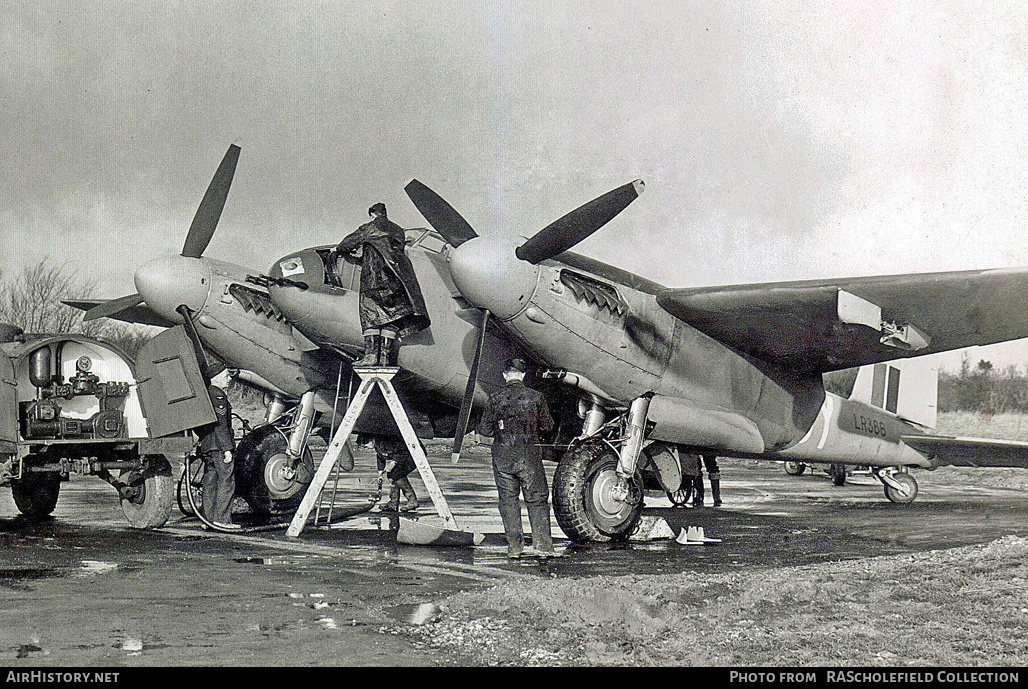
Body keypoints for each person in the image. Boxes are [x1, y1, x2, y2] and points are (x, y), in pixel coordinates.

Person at [333, 203, 431, 367]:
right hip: (397, 280)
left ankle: (371, 357)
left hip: (374, 278)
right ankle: (384, 359)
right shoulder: (398, 230)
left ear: (372, 214)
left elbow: (347, 243)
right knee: (391, 317)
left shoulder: (369, 228)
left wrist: (338, 249)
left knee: (370, 316)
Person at [477, 358, 556, 558]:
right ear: (523, 375)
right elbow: (548, 426)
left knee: (508, 500)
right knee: (537, 499)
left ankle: (514, 548)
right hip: (528, 454)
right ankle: (543, 547)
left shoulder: (495, 398)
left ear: (505, 375)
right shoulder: (536, 397)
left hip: (503, 455)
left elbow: (485, 430)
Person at [197, 366, 240, 529]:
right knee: (226, 480)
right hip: (219, 446)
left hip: (207, 445)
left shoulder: (206, 394)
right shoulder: (218, 395)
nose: (229, 380)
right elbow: (220, 425)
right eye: (226, 377)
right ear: (216, 378)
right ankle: (222, 520)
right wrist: (227, 448)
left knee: (210, 481)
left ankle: (208, 520)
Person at [374, 434, 419, 513]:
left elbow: (403, 451)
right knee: (392, 475)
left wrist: (394, 462)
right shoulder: (377, 445)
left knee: (397, 474)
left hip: (414, 454)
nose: (365, 447)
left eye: (365, 445)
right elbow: (380, 457)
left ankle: (412, 501)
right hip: (403, 457)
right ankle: (393, 503)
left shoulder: (386, 442)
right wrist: (380, 474)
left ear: (371, 440)